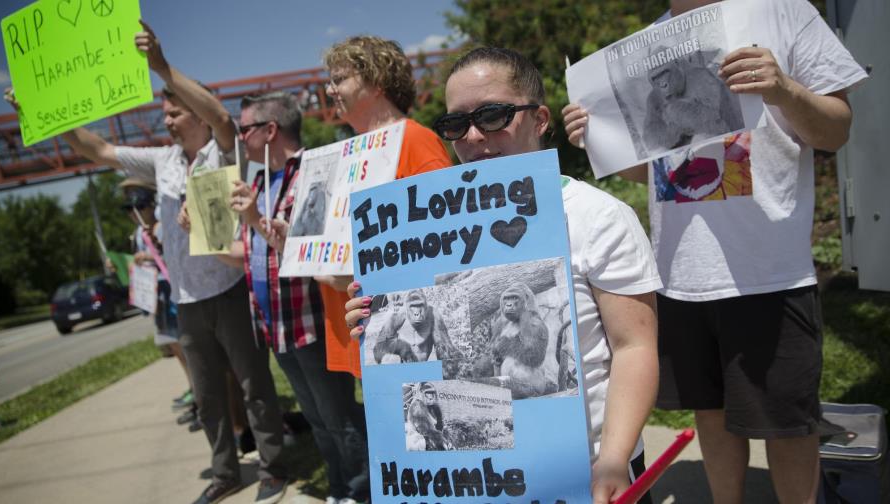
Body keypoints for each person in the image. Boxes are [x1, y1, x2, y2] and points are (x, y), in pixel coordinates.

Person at [562, 1, 867, 502]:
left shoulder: (782, 10)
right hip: (681, 273)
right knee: (711, 411)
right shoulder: (648, 41)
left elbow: (836, 131)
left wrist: (784, 89)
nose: (663, 85)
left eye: (668, 80)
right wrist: (600, 141)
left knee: (788, 423)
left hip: (769, 271)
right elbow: (658, 172)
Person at [345, 47, 661, 504]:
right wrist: (371, 319)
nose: (474, 136)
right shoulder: (421, 231)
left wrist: (613, 458)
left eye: (493, 115)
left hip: (586, 471)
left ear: (540, 119)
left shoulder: (598, 217)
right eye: (456, 124)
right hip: (472, 480)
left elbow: (635, 347)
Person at [42, 22, 290, 504]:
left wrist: (160, 65)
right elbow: (100, 150)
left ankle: (273, 468)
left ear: (195, 114)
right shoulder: (162, 161)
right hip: (187, 299)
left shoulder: (224, 151)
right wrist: (50, 120)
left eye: (175, 112)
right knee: (207, 396)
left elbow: (221, 115)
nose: (169, 121)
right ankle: (225, 472)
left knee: (253, 385)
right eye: (166, 114)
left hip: (229, 288)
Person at [221, 90, 371, 504]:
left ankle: (363, 490)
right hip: (279, 326)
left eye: (244, 129)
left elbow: (316, 250)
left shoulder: (313, 173)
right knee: (317, 419)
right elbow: (250, 249)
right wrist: (202, 235)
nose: (239, 138)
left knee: (339, 416)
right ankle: (340, 487)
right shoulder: (258, 182)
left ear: (270, 130)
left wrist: (255, 218)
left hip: (313, 321)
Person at [319, 35, 453, 382]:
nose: (330, 90)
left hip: (407, 336)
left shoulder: (416, 141)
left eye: (339, 79)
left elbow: (447, 240)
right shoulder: (350, 154)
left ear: (376, 81)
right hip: (364, 329)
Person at [120, 177, 200, 427]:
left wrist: (151, 255)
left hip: (171, 291)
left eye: (138, 206)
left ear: (149, 206)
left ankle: (201, 399)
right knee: (175, 348)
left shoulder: (161, 227)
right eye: (129, 208)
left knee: (186, 347)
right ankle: (195, 392)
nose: (133, 213)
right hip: (156, 295)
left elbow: (176, 257)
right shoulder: (138, 233)